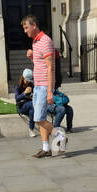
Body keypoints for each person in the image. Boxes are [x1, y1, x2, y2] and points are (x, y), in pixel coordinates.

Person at [22, 14, 62, 158]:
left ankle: (60, 136)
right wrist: (32, 56)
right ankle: (46, 148)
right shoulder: (35, 42)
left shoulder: (45, 41)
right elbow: (40, 64)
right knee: (42, 117)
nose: (24, 31)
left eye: (26, 27)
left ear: (34, 26)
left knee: (38, 118)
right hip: (37, 85)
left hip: (45, 86)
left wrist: (50, 91)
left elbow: (50, 67)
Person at [15, 70, 37, 137]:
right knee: (32, 105)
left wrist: (33, 96)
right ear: (23, 78)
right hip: (21, 106)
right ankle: (31, 129)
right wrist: (24, 93)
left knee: (32, 111)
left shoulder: (31, 85)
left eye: (29, 81)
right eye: (27, 80)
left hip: (30, 105)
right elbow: (17, 98)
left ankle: (31, 129)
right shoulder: (18, 86)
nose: (28, 82)